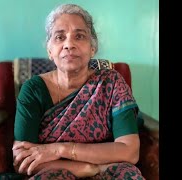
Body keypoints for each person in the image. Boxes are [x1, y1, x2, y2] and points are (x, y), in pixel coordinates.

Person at [12, 4, 145, 179]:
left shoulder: (111, 83)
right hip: (61, 171)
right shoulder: (33, 90)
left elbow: (129, 151)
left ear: (92, 48)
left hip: (112, 173)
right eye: (60, 37)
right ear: (50, 50)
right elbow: (23, 160)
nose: (69, 44)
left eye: (79, 36)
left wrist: (60, 149)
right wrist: (92, 169)